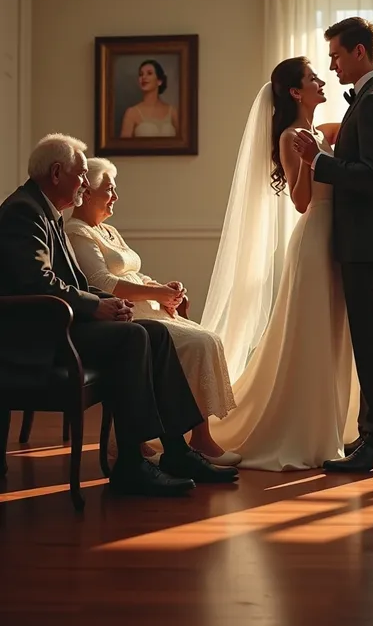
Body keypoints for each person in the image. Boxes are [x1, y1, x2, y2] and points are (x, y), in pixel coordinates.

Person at [0, 133, 238, 497]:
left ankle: (176, 451)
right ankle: (130, 462)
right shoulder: (24, 211)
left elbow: (73, 281)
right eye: (81, 174)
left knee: (154, 333)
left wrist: (108, 302)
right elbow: (37, 281)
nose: (84, 182)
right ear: (57, 172)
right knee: (135, 336)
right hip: (38, 335)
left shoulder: (47, 209)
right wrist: (96, 305)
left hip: (59, 324)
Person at [200, 52, 373, 471]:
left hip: (340, 241)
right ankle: (301, 429)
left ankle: (332, 424)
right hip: (314, 240)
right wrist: (309, 162)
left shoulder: (321, 130)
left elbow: (360, 140)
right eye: (312, 77)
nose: (322, 80)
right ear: (295, 91)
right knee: (309, 335)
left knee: (333, 336)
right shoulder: (293, 136)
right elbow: (301, 200)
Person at [65, 157, 240, 466]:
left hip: (151, 310)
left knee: (207, 336)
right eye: (109, 190)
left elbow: (134, 274)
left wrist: (164, 290)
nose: (116, 197)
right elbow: (103, 283)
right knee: (198, 343)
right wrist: (157, 294)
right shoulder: (78, 233)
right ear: (87, 194)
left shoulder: (108, 231)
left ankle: (197, 436)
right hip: (127, 316)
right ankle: (191, 439)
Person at [294, 17, 373, 473]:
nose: (332, 64)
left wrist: (318, 161)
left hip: (367, 242)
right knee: (370, 343)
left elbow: (370, 177)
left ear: (359, 52)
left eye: (337, 55)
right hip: (365, 241)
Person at [120, 60, 178, 138]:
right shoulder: (131, 113)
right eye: (141, 74)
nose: (144, 77)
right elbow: (122, 148)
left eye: (149, 73)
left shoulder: (173, 112)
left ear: (159, 81)